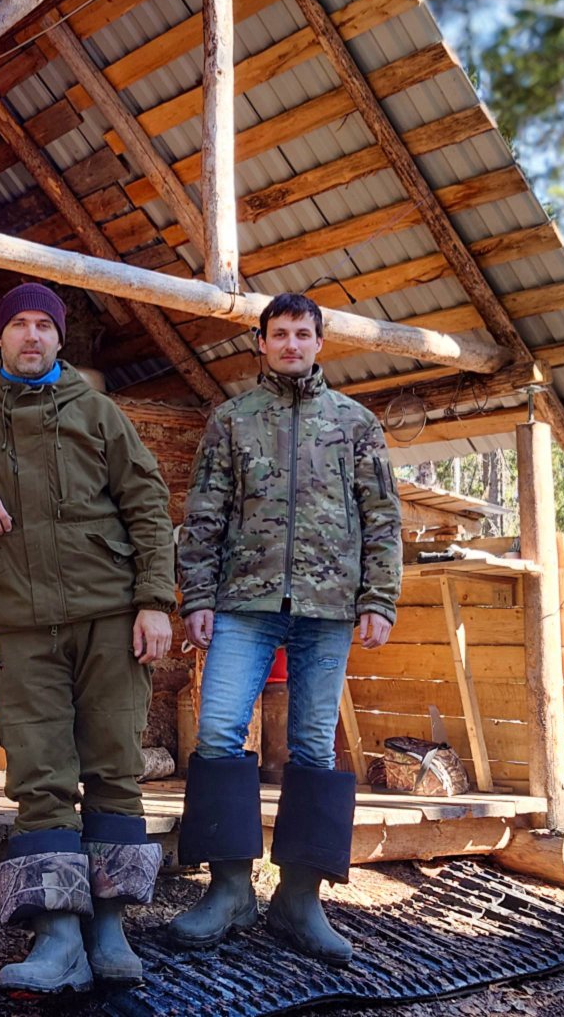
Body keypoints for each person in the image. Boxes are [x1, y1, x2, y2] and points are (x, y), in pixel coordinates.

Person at [0, 282, 176, 995]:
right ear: (1, 337)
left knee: (114, 764)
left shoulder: (97, 411)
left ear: (58, 338)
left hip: (110, 615)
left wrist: (155, 603)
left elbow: (146, 503)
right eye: (17, 323)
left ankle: (109, 928)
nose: (31, 336)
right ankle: (57, 936)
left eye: (43, 325)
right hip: (21, 622)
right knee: (43, 775)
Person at [169, 291, 403, 964]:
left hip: (328, 610)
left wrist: (378, 599)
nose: (292, 345)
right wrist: (198, 597)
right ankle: (229, 892)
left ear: (320, 342)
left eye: (303, 334)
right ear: (262, 342)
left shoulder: (355, 423)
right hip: (244, 604)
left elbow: (383, 518)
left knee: (312, 750)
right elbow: (206, 513)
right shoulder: (232, 420)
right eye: (280, 334)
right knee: (217, 732)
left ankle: (299, 902)